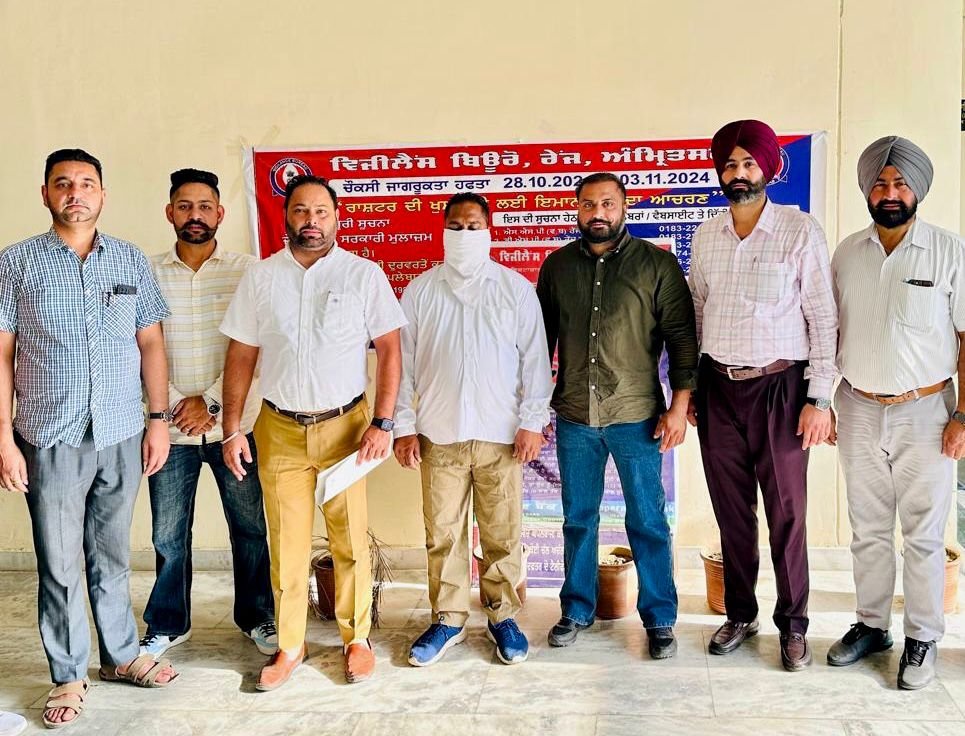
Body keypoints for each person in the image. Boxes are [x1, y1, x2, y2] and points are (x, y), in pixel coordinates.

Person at [0, 149, 178, 729]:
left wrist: (158, 419)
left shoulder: (128, 259)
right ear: (45, 194)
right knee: (59, 561)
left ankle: (121, 656)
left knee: (112, 554)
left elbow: (150, 342)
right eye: (63, 183)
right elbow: (2, 354)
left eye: (86, 183)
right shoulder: (16, 263)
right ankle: (69, 674)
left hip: (122, 429)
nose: (75, 193)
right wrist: (3, 437)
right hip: (50, 433)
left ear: (102, 194)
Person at [221, 174, 405, 689]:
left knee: (349, 538)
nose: (311, 221)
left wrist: (383, 422)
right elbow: (241, 355)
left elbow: (390, 350)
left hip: (347, 429)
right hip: (278, 429)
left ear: (337, 217)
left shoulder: (363, 275)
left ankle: (356, 639)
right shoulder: (261, 278)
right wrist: (231, 428)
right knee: (287, 543)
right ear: (286, 216)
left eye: (321, 211)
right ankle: (289, 646)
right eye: (301, 211)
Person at [688, 120, 837, 671]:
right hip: (718, 388)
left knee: (787, 515)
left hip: (781, 390)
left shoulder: (800, 231)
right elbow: (696, 313)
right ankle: (741, 613)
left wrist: (819, 399)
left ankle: (793, 625)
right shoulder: (707, 235)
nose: (738, 173)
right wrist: (692, 388)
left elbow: (823, 318)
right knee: (731, 512)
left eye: (749, 163)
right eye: (729, 164)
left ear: (769, 169)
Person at [536, 172, 698, 659]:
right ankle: (577, 609)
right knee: (577, 519)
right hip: (574, 417)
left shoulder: (657, 265)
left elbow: (682, 340)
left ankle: (660, 617)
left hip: (637, 417)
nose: (598, 213)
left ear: (624, 207)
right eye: (588, 204)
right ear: (577, 209)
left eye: (607, 203)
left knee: (647, 519)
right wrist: (534, 409)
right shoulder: (558, 267)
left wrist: (679, 408)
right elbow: (538, 344)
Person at [828, 136, 964, 690]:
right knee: (867, 529)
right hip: (857, 406)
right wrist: (822, 400)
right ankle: (871, 625)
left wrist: (963, 417)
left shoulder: (949, 251)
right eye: (880, 183)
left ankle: (923, 637)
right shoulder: (847, 253)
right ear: (867, 190)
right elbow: (827, 331)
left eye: (900, 183)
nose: (890, 192)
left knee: (924, 534)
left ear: (917, 189)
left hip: (927, 411)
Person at [394, 193, 553, 667]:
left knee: (502, 530)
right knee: (443, 532)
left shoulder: (514, 289)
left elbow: (535, 362)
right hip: (438, 435)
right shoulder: (420, 291)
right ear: (443, 230)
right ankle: (448, 619)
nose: (465, 234)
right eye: (456, 226)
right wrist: (402, 426)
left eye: (474, 226)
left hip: (500, 436)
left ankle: (503, 616)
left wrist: (532, 422)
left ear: (489, 230)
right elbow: (402, 367)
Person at [141, 168, 275, 658]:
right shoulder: (145, 272)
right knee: (167, 534)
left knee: (250, 527)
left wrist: (213, 402)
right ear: (169, 212)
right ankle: (168, 623)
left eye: (203, 207)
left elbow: (260, 347)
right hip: (169, 429)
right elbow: (137, 345)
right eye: (184, 206)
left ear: (220, 213)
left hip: (235, 428)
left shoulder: (249, 271)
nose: (194, 215)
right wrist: (176, 403)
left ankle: (258, 616)